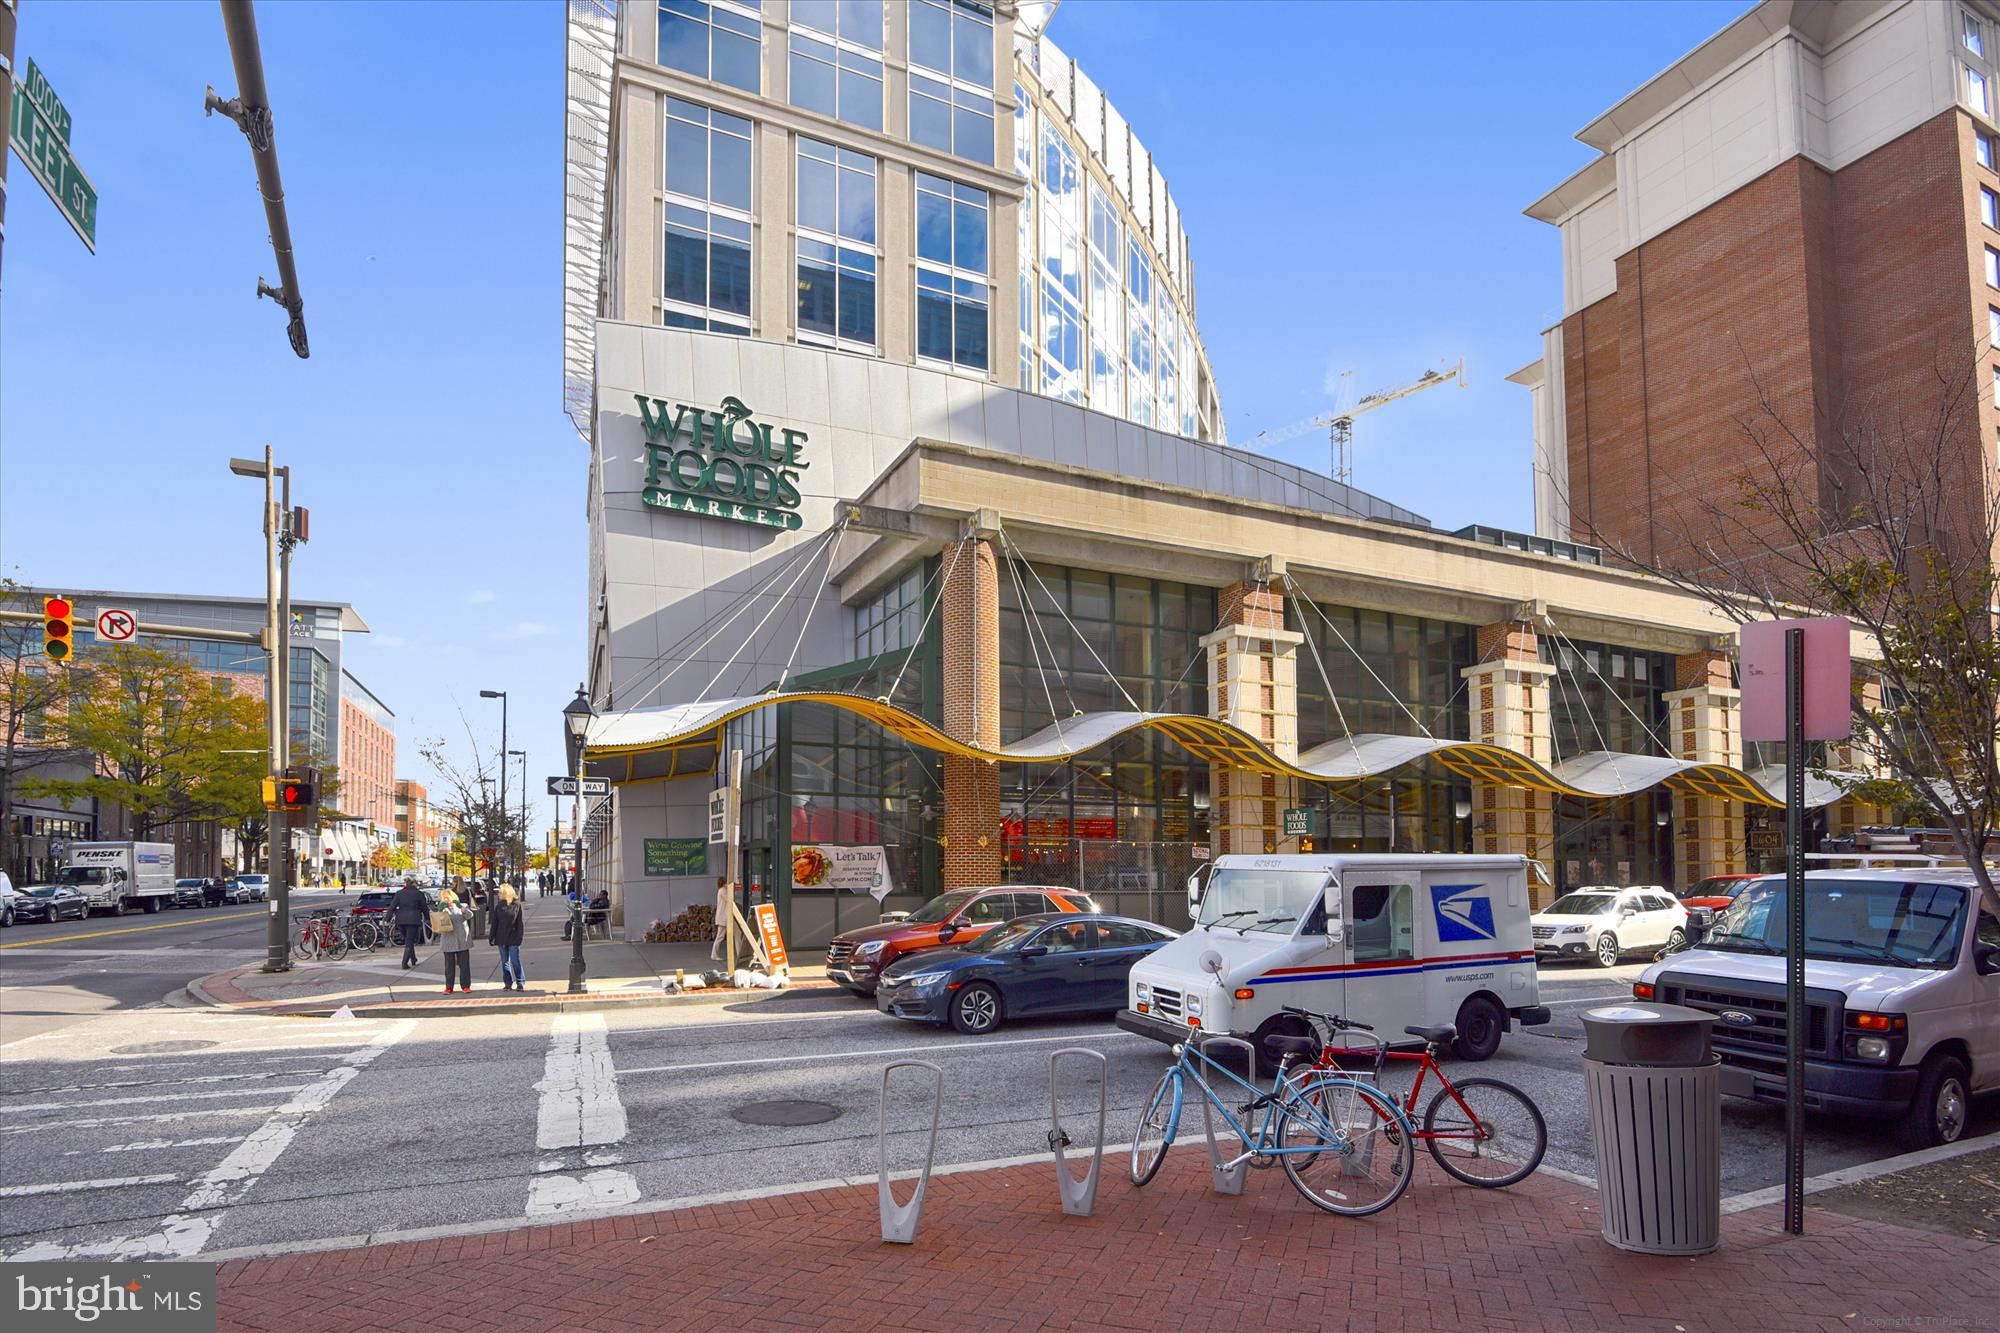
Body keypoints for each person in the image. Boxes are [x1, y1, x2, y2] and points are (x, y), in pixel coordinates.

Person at [490, 884, 526, 991]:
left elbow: (520, 923)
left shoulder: (517, 905)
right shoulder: (499, 906)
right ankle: (508, 983)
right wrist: (492, 936)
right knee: (505, 961)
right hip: (501, 937)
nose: (498, 894)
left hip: (513, 937)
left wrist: (519, 937)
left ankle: (520, 982)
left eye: (500, 892)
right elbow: (495, 923)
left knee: (515, 960)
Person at [438, 888, 473, 993]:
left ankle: (465, 986)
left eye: (448, 898)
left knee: (464, 965)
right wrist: (441, 910)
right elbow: (438, 920)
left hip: (462, 939)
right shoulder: (443, 909)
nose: (446, 900)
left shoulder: (462, 906)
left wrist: (461, 907)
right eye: (444, 898)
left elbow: (470, 915)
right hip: (448, 941)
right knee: (449, 966)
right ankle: (449, 987)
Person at [391, 877, 428, 969]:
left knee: (408, 940)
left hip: (401, 920)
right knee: (409, 941)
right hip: (413, 920)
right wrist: (428, 917)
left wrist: (387, 919)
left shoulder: (399, 893)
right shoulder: (419, 894)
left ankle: (413, 958)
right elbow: (424, 907)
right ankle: (404, 962)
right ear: (414, 884)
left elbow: (392, 906)